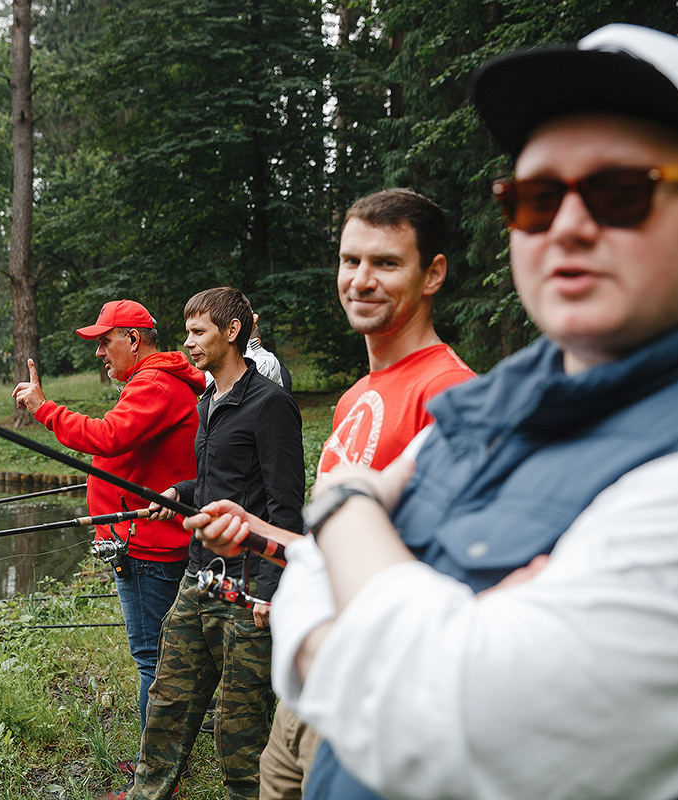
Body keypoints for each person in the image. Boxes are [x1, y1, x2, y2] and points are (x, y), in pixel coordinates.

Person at [271, 23, 678, 800]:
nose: (568, 224)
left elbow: (436, 725)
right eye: (534, 197)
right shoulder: (501, 399)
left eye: (622, 191)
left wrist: (347, 507)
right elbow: (319, 589)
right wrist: (399, 636)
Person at [185, 187, 475, 800]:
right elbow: (333, 545)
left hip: (370, 688)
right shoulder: (352, 397)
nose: (362, 280)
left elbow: (446, 575)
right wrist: (255, 531)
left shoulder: (451, 395)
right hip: (308, 683)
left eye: (387, 263)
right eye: (351, 261)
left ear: (433, 275)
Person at [103, 286, 306, 800]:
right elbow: (216, 483)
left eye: (199, 332)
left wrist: (271, 592)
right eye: (187, 331)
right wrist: (180, 493)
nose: (188, 343)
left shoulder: (270, 405)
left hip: (247, 589)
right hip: (199, 579)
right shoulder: (205, 400)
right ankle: (147, 793)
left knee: (239, 732)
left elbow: (285, 507)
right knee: (168, 704)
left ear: (231, 332)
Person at [12, 298, 206, 757]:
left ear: (132, 339)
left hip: (148, 547)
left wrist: (45, 409)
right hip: (147, 540)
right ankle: (169, 754)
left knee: (151, 662)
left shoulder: (155, 383)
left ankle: (154, 769)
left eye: (105, 341)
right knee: (165, 656)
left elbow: (108, 436)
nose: (99, 353)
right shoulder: (158, 379)